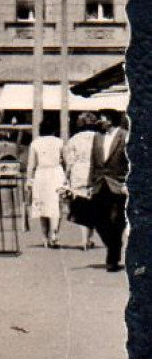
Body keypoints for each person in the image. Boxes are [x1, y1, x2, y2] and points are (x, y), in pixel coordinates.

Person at [88, 109, 129, 273]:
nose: (99, 121)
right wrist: (90, 184)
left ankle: (112, 258)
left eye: (102, 118)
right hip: (99, 184)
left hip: (118, 184)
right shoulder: (97, 138)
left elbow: (132, 161)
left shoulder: (125, 136)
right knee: (98, 220)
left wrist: (128, 182)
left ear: (110, 120)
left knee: (115, 220)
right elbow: (93, 162)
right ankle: (114, 245)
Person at [63, 111, 100, 249]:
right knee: (93, 206)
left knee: (81, 206)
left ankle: (84, 239)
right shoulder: (99, 138)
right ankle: (89, 238)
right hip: (95, 173)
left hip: (78, 173)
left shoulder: (74, 139)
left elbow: (70, 161)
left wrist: (67, 176)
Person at [26, 125, 67, 248]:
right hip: (56, 173)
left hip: (41, 174)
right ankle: (54, 234)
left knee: (42, 205)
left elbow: (31, 164)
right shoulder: (60, 142)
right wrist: (67, 176)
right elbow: (66, 161)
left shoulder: (35, 143)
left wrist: (29, 179)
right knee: (56, 204)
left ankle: (45, 237)